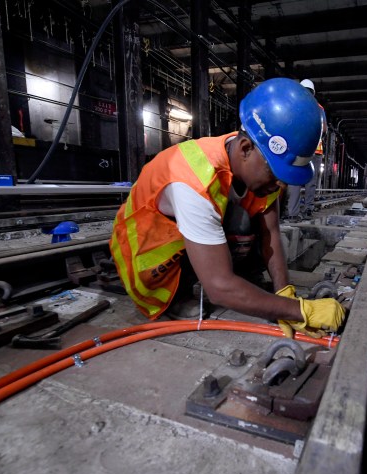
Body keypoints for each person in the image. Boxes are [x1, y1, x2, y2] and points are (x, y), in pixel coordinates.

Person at [110, 78, 345, 338]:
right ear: (245, 149)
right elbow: (218, 288)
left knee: (247, 220)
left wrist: (283, 292)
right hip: (151, 260)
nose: (281, 183)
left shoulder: (255, 164)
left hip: (190, 239)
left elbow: (272, 233)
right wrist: (299, 311)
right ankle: (174, 295)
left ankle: (244, 289)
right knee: (237, 229)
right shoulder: (193, 179)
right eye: (275, 172)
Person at [285, 79, 324, 221]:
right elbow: (324, 129)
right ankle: (308, 209)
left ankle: (292, 212)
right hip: (316, 150)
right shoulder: (319, 107)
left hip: (298, 147)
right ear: (313, 92)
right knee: (311, 181)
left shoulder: (294, 105)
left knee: (294, 179)